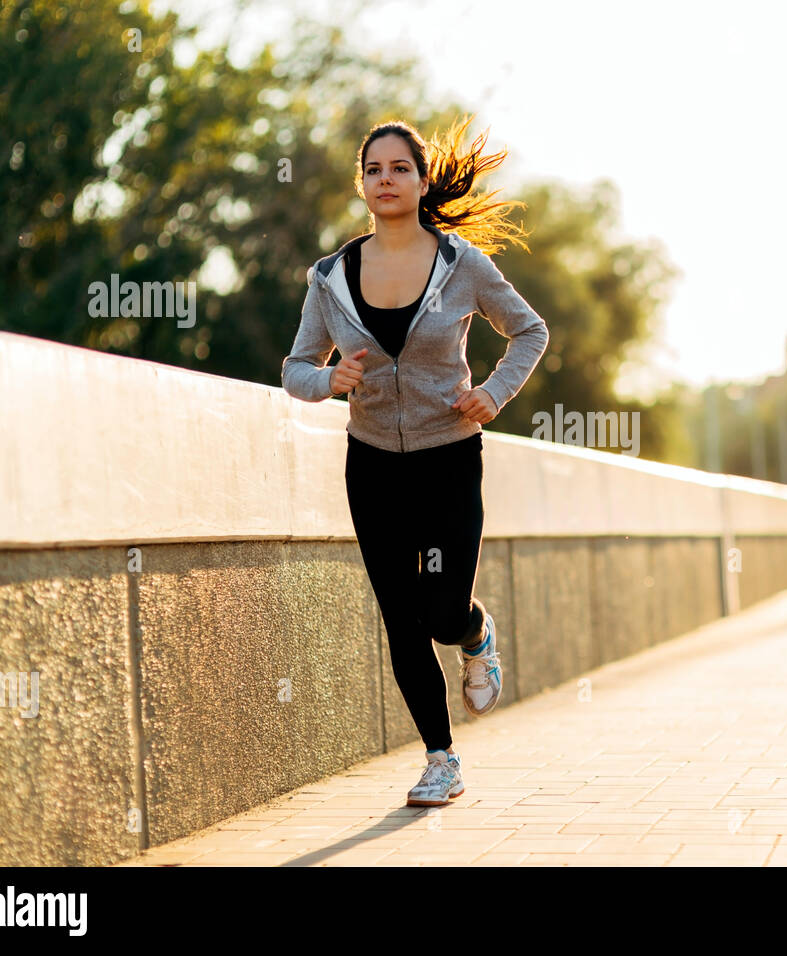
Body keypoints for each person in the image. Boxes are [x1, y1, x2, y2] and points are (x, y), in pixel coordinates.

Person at [281, 116, 549, 807]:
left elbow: (529, 329)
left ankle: (475, 631)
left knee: (440, 610)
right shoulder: (331, 277)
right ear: (361, 184)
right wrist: (327, 382)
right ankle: (441, 759)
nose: (386, 180)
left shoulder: (463, 267)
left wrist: (493, 392)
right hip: (372, 465)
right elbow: (296, 367)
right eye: (373, 170)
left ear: (422, 180)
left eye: (399, 168)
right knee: (401, 617)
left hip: (448, 459)